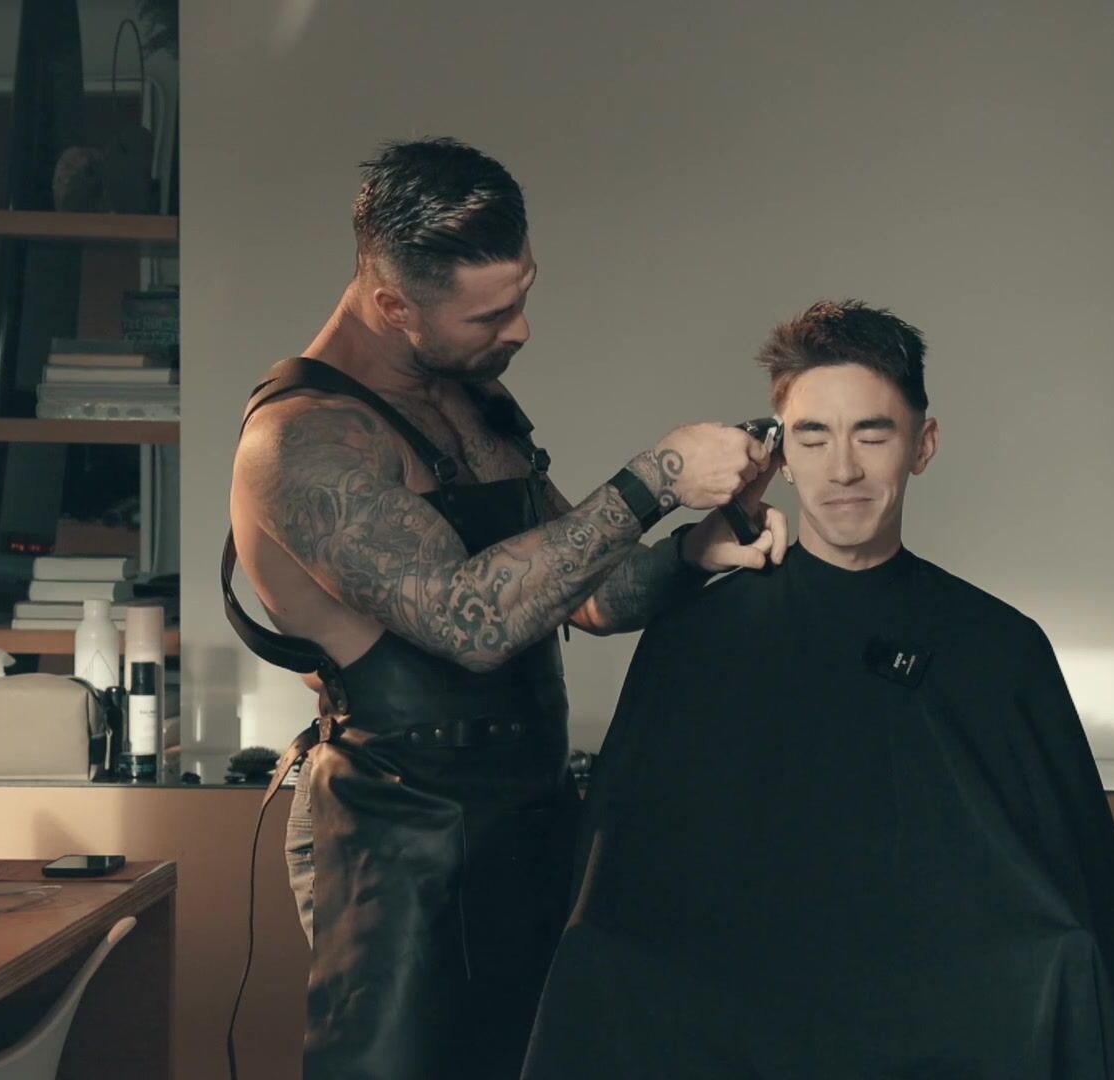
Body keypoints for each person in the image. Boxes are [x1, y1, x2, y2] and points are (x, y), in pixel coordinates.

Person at [222, 137, 787, 1079]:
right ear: (393, 305)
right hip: (397, 835)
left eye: (523, 293)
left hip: (528, 815)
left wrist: (694, 553)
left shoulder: (469, 397)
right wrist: (656, 478)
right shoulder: (300, 443)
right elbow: (467, 623)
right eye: (492, 313)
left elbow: (581, 591)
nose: (520, 330)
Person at [522, 300, 1114, 1079]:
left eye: (872, 434)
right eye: (812, 437)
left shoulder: (999, 645)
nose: (842, 470)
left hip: (947, 1001)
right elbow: (622, 893)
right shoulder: (699, 636)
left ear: (922, 445)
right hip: (735, 1002)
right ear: (778, 456)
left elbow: (1079, 897)